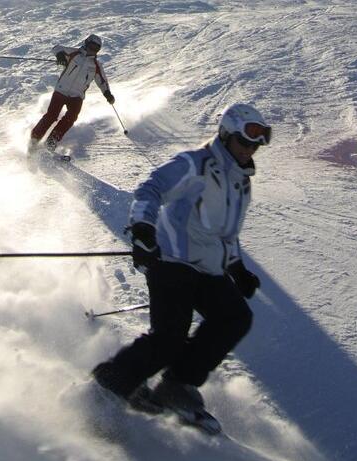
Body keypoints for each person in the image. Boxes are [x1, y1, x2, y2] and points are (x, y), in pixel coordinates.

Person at [91, 103, 272, 435]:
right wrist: (144, 231)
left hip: (207, 270)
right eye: (244, 142)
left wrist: (237, 268)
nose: (249, 150)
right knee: (169, 337)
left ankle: (176, 385)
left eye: (256, 144)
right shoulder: (196, 164)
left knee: (235, 317)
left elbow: (226, 233)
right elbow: (151, 188)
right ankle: (108, 387)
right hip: (172, 262)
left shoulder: (240, 183)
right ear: (226, 136)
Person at [29, 34, 115, 154]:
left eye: (96, 49)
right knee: (52, 116)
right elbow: (56, 48)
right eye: (91, 46)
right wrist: (60, 55)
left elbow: (102, 81)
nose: (92, 50)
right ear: (86, 43)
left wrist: (107, 93)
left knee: (71, 118)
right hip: (61, 91)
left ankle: (51, 142)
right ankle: (34, 139)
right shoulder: (74, 53)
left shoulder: (95, 65)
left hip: (77, 96)